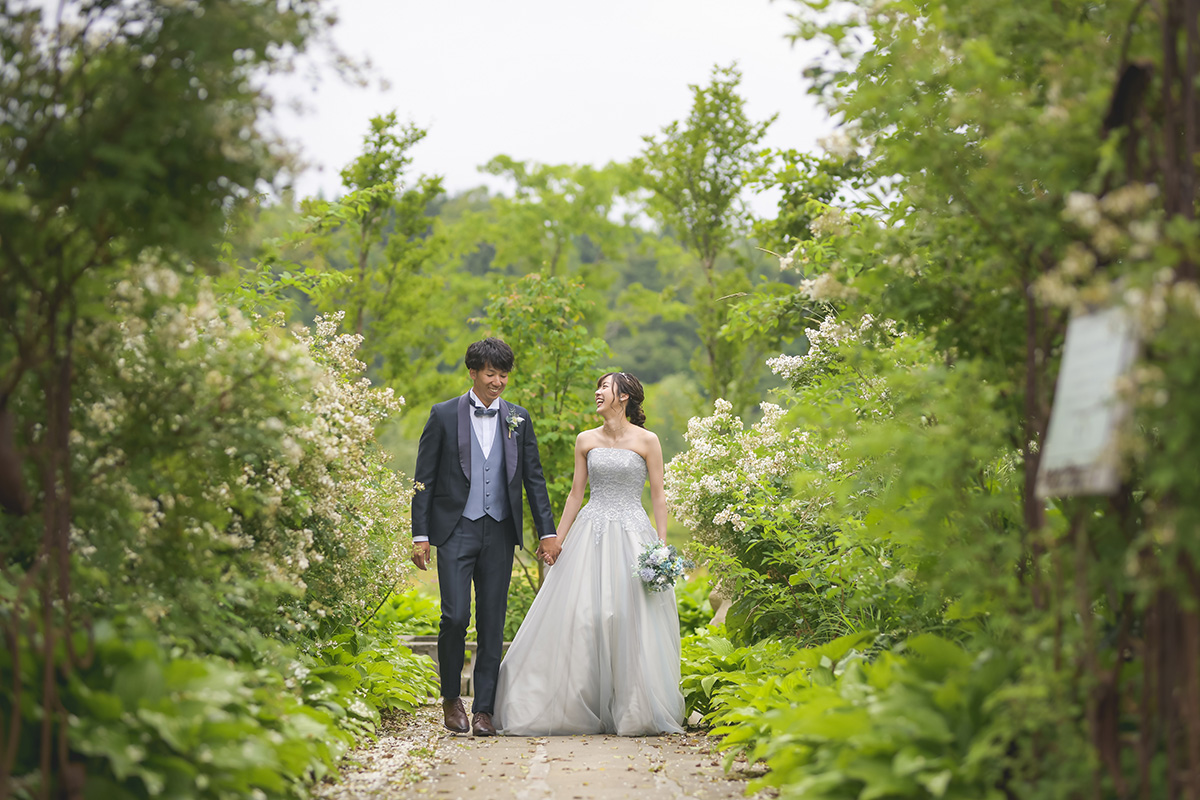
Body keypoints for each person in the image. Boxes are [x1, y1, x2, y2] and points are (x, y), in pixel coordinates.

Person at [493, 371, 686, 736]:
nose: (598, 393)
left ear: (624, 396)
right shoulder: (585, 439)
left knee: (629, 618)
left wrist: (661, 545)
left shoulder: (648, 440)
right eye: (597, 387)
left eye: (605, 387)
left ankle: (634, 708)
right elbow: (575, 495)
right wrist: (556, 539)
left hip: (632, 534)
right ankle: (573, 704)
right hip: (591, 531)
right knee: (585, 615)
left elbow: (659, 495)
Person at [410, 337, 559, 736]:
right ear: (473, 372)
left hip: (499, 530)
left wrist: (548, 533)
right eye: (491, 374)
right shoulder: (442, 416)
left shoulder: (519, 419)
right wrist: (420, 534)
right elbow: (422, 480)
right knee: (454, 617)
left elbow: (535, 480)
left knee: (492, 623)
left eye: (504, 375)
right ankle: (450, 699)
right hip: (455, 529)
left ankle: (484, 710)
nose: (498, 382)